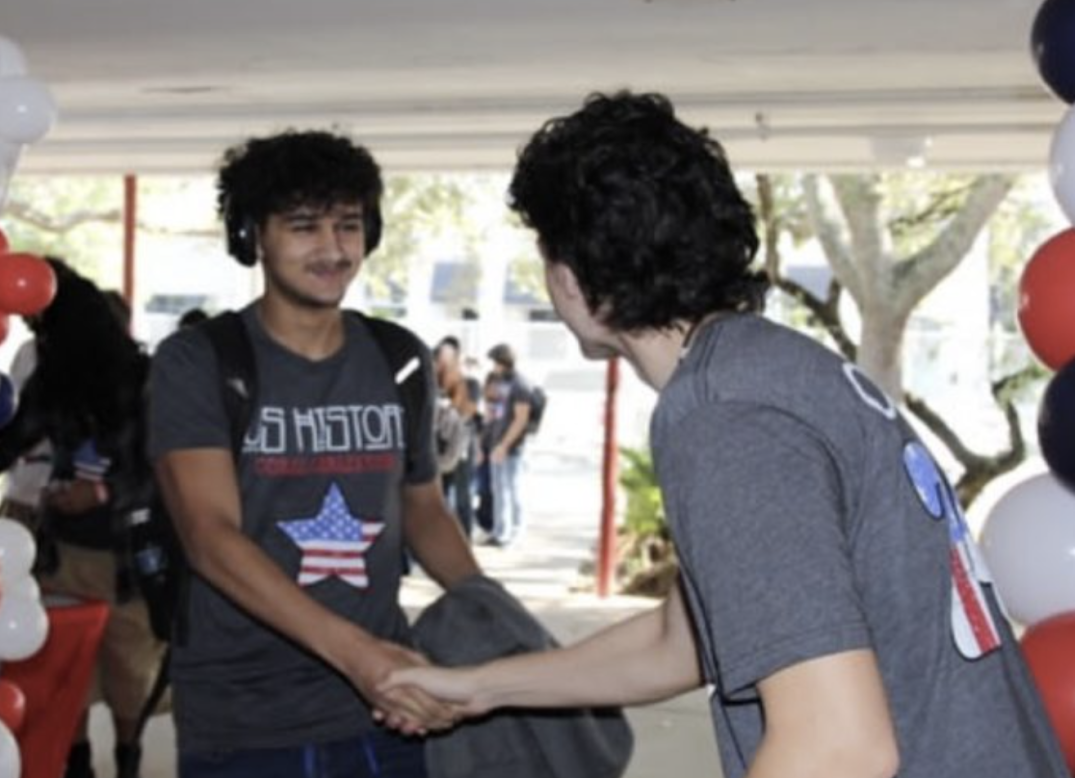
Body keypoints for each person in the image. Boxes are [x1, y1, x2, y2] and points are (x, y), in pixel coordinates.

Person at [384, 91, 1069, 778]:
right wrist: (481, 687)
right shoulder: (777, 368)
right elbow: (681, 638)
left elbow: (838, 746)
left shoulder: (722, 419)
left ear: (573, 279)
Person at [147, 129, 480, 778]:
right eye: (303, 227)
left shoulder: (399, 357)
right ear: (252, 237)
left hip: (387, 706)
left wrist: (491, 609)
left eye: (349, 226)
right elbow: (210, 538)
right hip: (246, 718)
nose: (332, 249)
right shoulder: (199, 362)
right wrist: (362, 658)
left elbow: (424, 510)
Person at [0, 259, 162, 778]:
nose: (32, 336)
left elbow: (167, 468)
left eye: (39, 325)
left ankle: (126, 758)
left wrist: (103, 491)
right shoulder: (55, 378)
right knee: (71, 665)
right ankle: (81, 760)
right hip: (63, 550)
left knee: (128, 666)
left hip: (127, 555)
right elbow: (7, 444)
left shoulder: (148, 380)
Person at [481, 343, 532, 546]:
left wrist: (504, 445)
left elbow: (521, 419)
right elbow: (494, 410)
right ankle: (500, 531)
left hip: (511, 448)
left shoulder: (520, 385)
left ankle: (516, 531)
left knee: (513, 489)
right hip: (496, 443)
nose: (493, 367)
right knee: (498, 490)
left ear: (503, 362)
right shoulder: (501, 382)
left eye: (495, 362)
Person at [434, 336, 480, 537]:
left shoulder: (470, 383)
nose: (444, 363)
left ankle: (464, 537)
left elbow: (469, 412)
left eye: (448, 357)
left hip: (461, 448)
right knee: (440, 495)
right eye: (441, 357)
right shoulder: (433, 383)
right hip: (439, 447)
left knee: (463, 496)